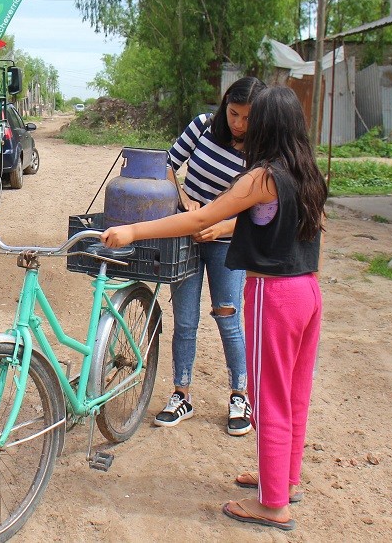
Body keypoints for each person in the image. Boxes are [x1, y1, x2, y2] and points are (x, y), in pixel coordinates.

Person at [102, 85, 326, 532]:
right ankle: (284, 481)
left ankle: (273, 504)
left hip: (274, 297)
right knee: (294, 394)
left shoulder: (261, 177)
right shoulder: (306, 173)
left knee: (270, 400)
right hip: (308, 293)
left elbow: (200, 219)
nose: (241, 126)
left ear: (267, 125)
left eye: (252, 118)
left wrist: (133, 231)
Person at [154, 76, 264, 436]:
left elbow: (256, 212)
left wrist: (220, 226)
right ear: (224, 105)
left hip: (227, 241)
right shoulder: (201, 127)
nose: (239, 124)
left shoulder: (261, 151)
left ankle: (239, 395)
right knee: (185, 320)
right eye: (234, 114)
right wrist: (184, 201)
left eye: (248, 118)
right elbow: (166, 164)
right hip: (186, 234)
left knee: (228, 317)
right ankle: (181, 393)